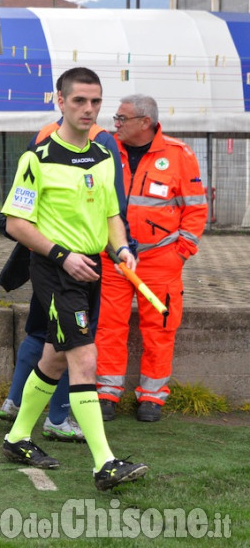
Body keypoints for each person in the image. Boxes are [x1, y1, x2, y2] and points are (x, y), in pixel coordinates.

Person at [0, 67, 148, 491]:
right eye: (79, 100)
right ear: (59, 101)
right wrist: (63, 257)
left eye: (96, 101)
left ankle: (16, 438)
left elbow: (111, 215)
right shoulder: (37, 158)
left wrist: (121, 249)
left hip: (92, 270)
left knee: (55, 356)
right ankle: (105, 463)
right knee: (84, 356)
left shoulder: (104, 155)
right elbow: (15, 224)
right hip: (55, 271)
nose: (89, 109)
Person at [96, 95, 208, 423]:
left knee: (160, 328)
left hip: (160, 260)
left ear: (145, 122)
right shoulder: (104, 148)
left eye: (121, 118)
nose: (115, 124)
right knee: (108, 326)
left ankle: (152, 396)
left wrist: (180, 253)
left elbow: (196, 208)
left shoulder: (179, 155)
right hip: (112, 257)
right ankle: (106, 393)